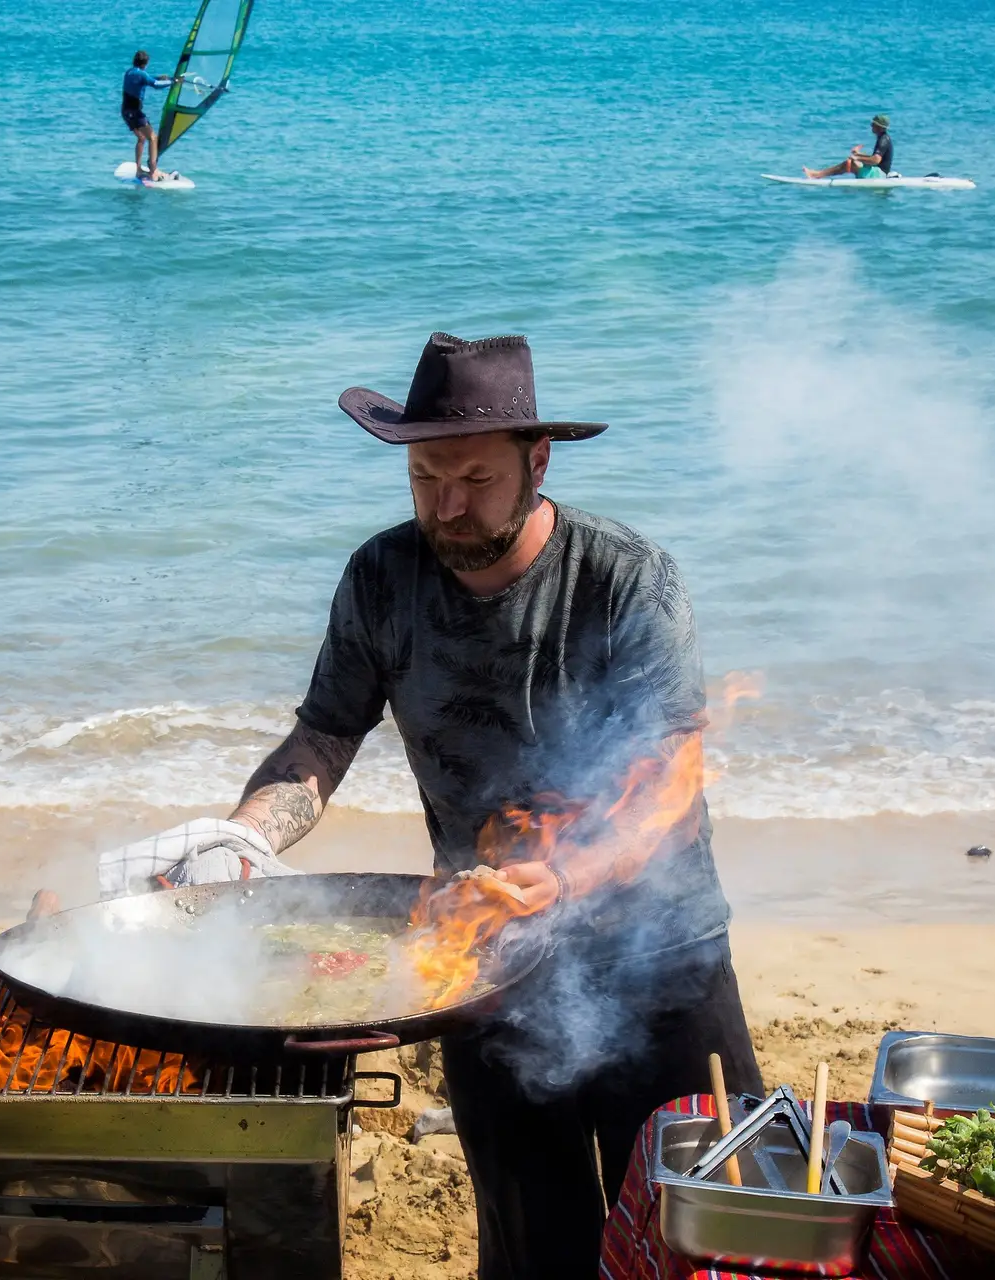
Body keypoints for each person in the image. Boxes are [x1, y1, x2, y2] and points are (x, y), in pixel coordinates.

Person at [96, 332, 763, 1280]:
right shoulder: (381, 578)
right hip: (480, 951)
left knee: (707, 1240)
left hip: (660, 957)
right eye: (423, 478)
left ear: (538, 461)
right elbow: (324, 738)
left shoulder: (625, 578)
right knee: (532, 1246)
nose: (446, 506)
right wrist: (244, 835)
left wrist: (565, 873)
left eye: (475, 480)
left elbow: (668, 778)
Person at [121, 50, 175, 181]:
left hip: (125, 112)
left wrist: (160, 77)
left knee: (141, 138)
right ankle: (153, 171)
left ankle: (138, 170)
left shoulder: (129, 72)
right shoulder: (142, 74)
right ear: (145, 63)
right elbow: (155, 85)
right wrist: (174, 82)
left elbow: (147, 79)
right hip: (135, 112)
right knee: (153, 138)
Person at [805, 114, 894, 179]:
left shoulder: (883, 140)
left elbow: (876, 160)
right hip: (877, 171)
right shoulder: (882, 138)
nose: (871, 126)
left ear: (880, 127)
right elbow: (876, 158)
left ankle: (817, 175)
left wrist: (857, 158)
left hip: (879, 174)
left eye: (873, 124)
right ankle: (818, 174)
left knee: (850, 163)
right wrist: (858, 154)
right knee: (851, 162)